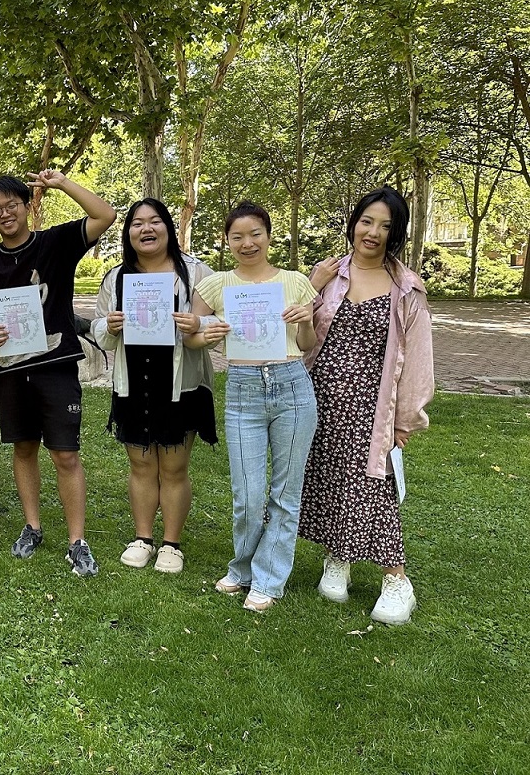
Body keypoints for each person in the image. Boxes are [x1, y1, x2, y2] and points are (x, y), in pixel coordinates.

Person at [299, 188, 433, 625]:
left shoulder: (406, 288)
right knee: (329, 476)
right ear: (354, 222)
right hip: (318, 398)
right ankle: (338, 557)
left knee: (372, 486)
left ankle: (398, 580)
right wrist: (313, 285)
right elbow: (291, 326)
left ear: (396, 235)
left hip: (373, 409)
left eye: (386, 226)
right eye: (367, 221)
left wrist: (406, 420)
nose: (373, 232)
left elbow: (417, 360)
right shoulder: (327, 274)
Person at [0, 170, 117, 577]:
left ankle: (77, 541)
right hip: (11, 372)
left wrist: (61, 184)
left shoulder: (55, 242)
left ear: (27, 206)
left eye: (12, 206)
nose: (5, 214)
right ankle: (32, 527)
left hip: (56, 366)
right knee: (23, 449)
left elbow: (105, 214)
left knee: (66, 454)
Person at [192, 202, 319, 611]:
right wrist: (210, 333)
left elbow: (307, 344)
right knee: (247, 493)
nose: (247, 243)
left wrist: (304, 319)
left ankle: (268, 578)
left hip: (292, 385)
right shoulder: (216, 285)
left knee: (285, 492)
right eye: (237, 236)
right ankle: (242, 567)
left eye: (255, 234)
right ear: (227, 241)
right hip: (244, 388)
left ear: (268, 234)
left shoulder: (296, 282)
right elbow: (192, 338)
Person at [92, 199, 217, 574]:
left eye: (155, 222)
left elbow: (219, 324)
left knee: (175, 467)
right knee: (141, 465)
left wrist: (196, 326)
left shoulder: (196, 272)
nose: (146, 229)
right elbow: (99, 326)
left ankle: (172, 544)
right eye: (137, 224)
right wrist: (109, 327)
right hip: (134, 382)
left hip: (181, 382)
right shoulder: (116, 277)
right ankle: (143, 538)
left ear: (168, 227)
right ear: (128, 232)